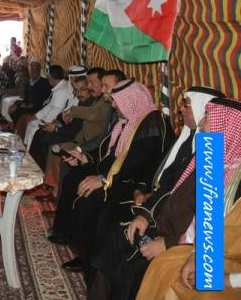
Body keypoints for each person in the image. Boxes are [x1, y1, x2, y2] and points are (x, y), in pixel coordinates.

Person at [91, 93, 230, 300]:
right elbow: (169, 190)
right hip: (165, 227)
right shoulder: (208, 159)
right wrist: (145, 215)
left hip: (182, 245)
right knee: (116, 239)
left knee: (134, 270)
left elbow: (219, 235)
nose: (202, 122)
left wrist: (168, 244)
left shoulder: (228, 175)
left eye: (208, 117)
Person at [56, 79, 173, 286]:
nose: (113, 105)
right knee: (77, 180)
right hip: (122, 178)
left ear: (129, 100)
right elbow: (110, 154)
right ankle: (84, 254)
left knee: (93, 203)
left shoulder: (151, 122)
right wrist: (84, 158)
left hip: (137, 186)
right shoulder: (128, 121)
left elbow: (137, 164)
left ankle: (92, 265)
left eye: (115, 101)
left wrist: (103, 180)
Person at [23, 64, 76, 150]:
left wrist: (44, 121)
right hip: (53, 118)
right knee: (31, 123)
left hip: (55, 121)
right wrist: (36, 116)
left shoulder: (61, 90)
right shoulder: (60, 86)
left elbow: (56, 110)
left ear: (51, 77)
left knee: (33, 128)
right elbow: (50, 105)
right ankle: (26, 148)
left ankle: (29, 152)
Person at [9, 58, 52, 134]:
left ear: (39, 69)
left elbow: (45, 100)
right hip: (28, 106)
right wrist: (17, 104)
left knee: (18, 111)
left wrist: (30, 105)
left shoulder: (44, 83)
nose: (33, 69)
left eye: (36, 67)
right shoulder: (28, 83)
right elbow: (25, 99)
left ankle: (16, 132)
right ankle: (15, 129)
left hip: (38, 107)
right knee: (12, 108)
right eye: (32, 67)